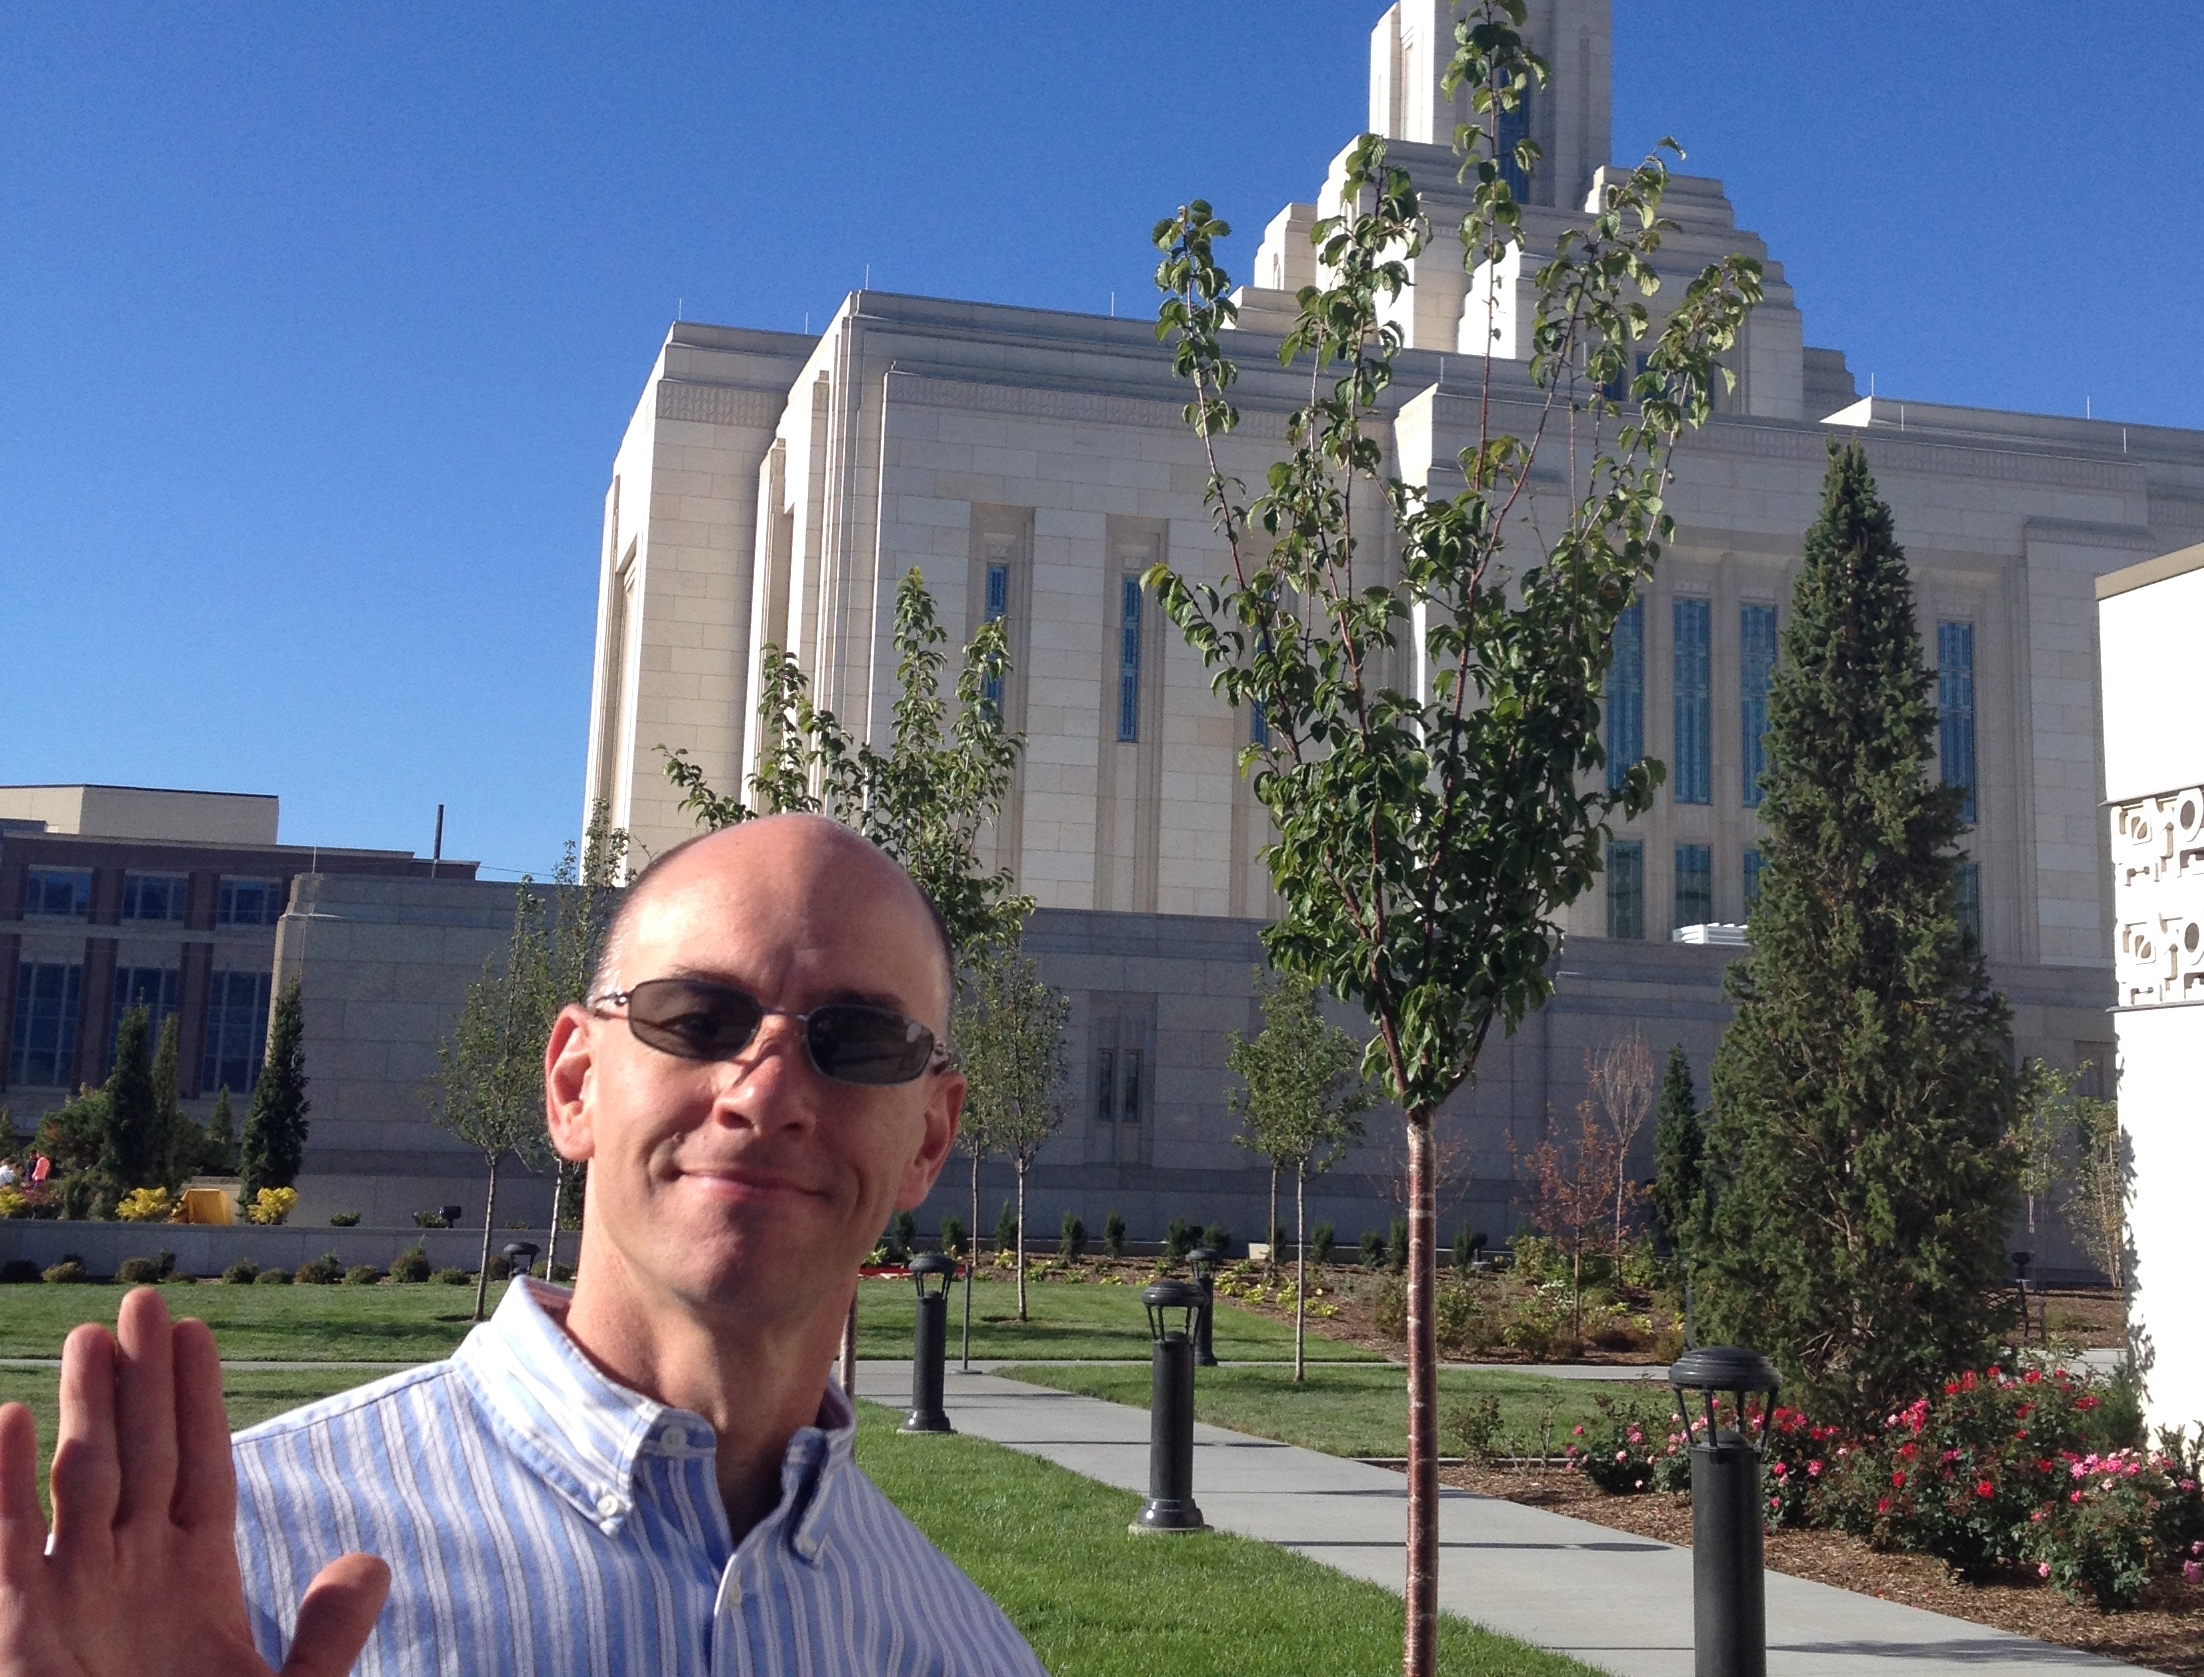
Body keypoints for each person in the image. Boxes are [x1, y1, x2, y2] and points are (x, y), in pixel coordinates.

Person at [0, 815, 1047, 1676]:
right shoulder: (231, 1571)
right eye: (697, 1017)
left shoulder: (964, 1652)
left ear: (928, 1139)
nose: (763, 1095)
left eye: (858, 1042)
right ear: (574, 1083)